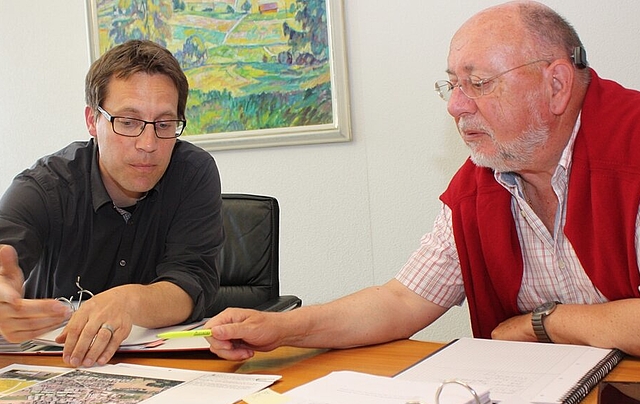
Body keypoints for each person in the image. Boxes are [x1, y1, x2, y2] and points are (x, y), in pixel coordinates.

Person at [203, 0, 640, 361]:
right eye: (451, 85)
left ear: (557, 85)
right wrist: (281, 326)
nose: (455, 106)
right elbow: (401, 301)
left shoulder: (632, 146)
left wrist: (543, 323)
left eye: (479, 83)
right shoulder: (479, 186)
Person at [0, 40, 224, 367]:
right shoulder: (44, 186)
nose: (148, 144)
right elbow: (5, 257)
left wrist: (128, 302)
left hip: (161, 370)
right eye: (128, 122)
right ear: (93, 121)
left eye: (163, 125)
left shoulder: (192, 173)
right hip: (54, 365)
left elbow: (191, 283)